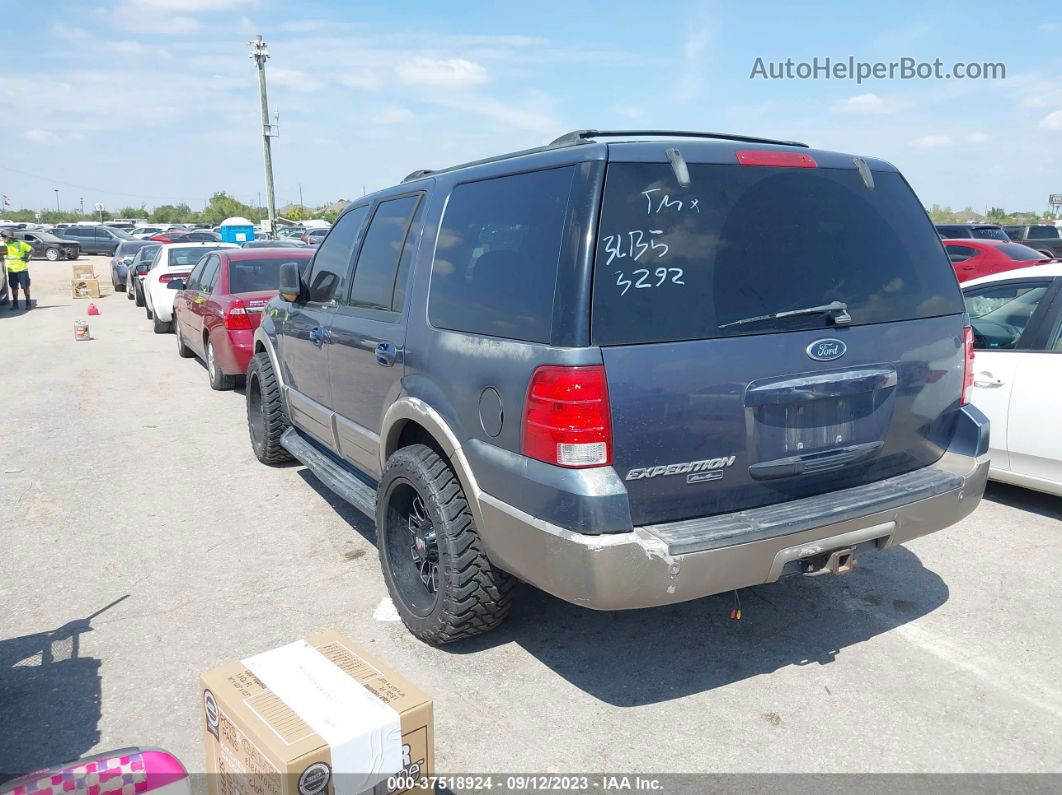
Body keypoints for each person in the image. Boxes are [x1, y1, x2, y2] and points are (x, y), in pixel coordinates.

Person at [3, 230, 33, 310]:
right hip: (11, 270)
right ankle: (15, 305)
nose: (3, 239)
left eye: (4, 237)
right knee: (14, 288)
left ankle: (28, 303)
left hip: (22, 269)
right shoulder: (3, 245)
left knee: (25, 287)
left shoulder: (20, 244)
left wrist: (29, 257)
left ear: (10, 237)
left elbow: (31, 250)